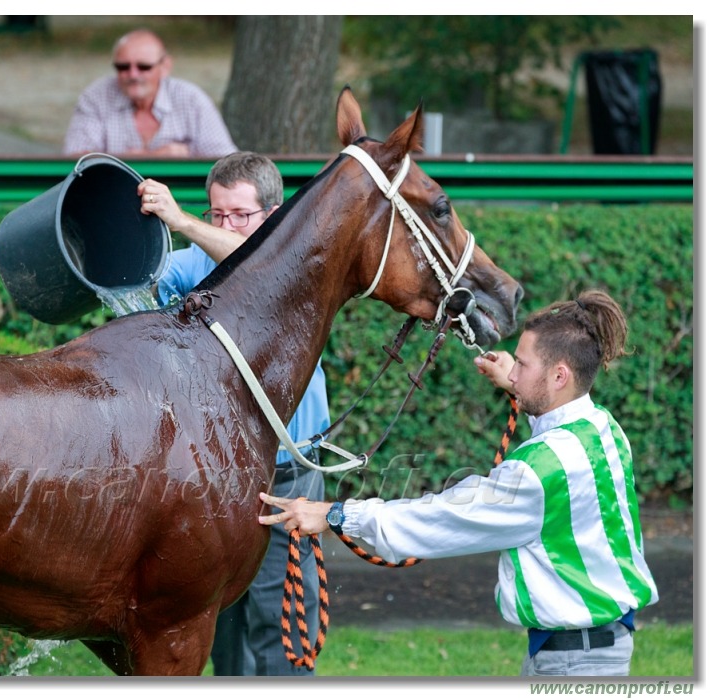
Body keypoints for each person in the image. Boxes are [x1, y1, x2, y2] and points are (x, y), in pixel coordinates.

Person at [259, 290, 658, 677]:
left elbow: (441, 517)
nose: (513, 372)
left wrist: (335, 514)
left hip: (571, 665)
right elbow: (557, 427)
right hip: (595, 649)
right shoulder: (603, 428)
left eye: (521, 364)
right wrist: (513, 382)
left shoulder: (536, 474)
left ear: (559, 376)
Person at [138, 152, 330, 676]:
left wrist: (181, 221)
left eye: (239, 215)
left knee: (280, 614)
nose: (224, 225)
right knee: (219, 611)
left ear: (272, 214)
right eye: (217, 213)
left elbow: (256, 265)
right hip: (216, 472)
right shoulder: (191, 263)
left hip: (287, 466)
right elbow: (137, 287)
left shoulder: (299, 261)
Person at [64, 29, 237, 158]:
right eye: (123, 67)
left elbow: (226, 160)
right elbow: (77, 160)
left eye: (143, 67)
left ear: (165, 67)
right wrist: (155, 155)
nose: (132, 75)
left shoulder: (191, 99)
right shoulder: (95, 98)